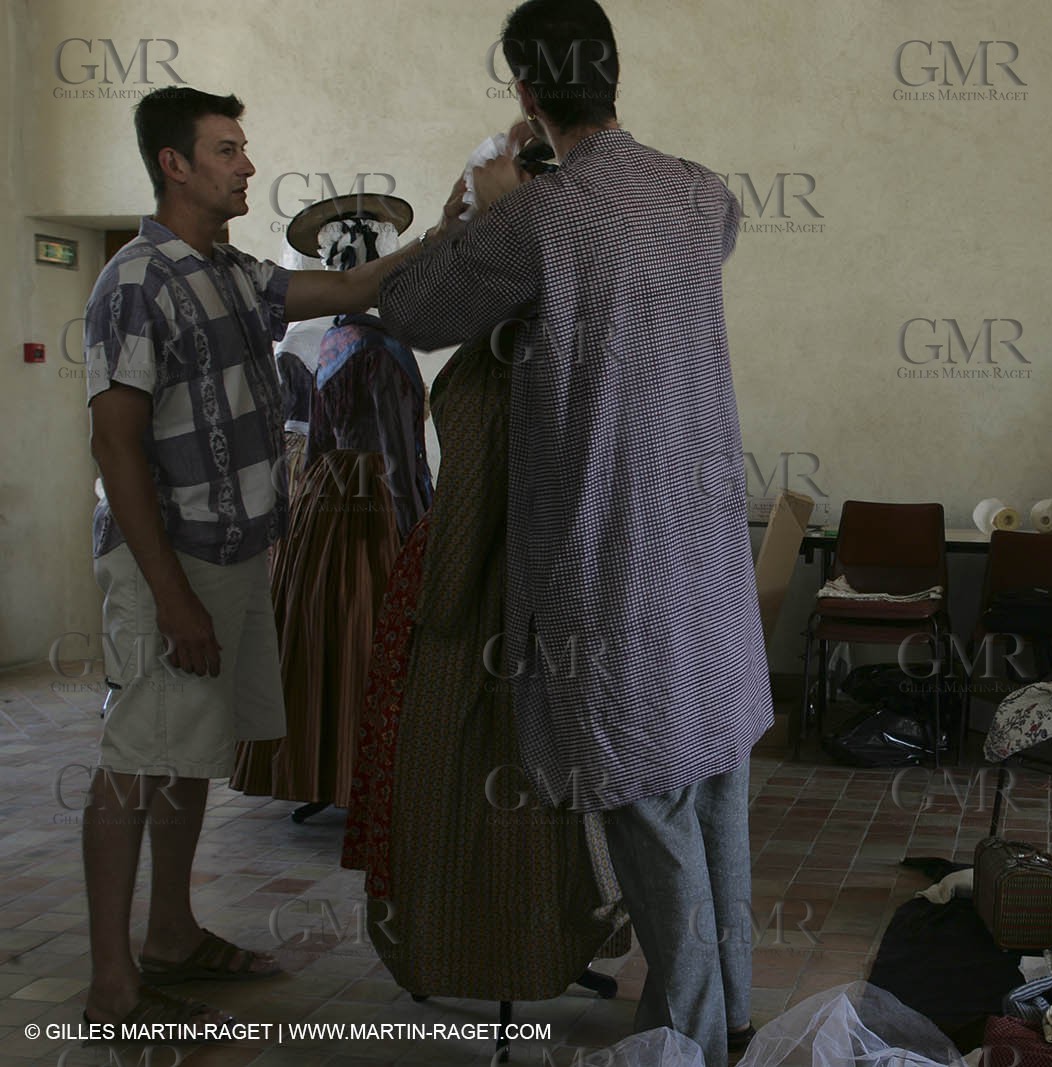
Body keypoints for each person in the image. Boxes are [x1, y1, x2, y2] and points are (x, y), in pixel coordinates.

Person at [376, 3, 770, 1063]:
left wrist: (480, 205)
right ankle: (730, 1011)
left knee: (646, 797)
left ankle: (688, 1036)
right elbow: (702, 240)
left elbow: (410, 312)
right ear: (615, 73)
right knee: (717, 781)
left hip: (613, 556)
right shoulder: (702, 195)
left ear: (525, 95)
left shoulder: (537, 221)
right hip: (708, 551)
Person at [82, 85, 436, 1027]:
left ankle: (171, 932)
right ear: (176, 164)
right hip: (171, 564)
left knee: (190, 751)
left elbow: (360, 288)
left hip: (235, 560)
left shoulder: (234, 275)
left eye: (243, 148)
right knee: (134, 759)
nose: (247, 164)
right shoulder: (134, 283)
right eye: (228, 149)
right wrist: (172, 596)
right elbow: (116, 446)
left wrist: (462, 222)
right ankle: (112, 978)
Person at [341, 120, 631, 1001]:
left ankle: (501, 947)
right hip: (533, 571)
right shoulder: (571, 316)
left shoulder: (530, 337)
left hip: (493, 577)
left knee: (494, 771)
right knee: (489, 771)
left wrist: (452, 589)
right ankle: (502, 944)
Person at [231, 196, 433, 812]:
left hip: (325, 499)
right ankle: (370, 773)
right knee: (372, 632)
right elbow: (401, 459)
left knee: (320, 634)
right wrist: (421, 530)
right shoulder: (385, 350)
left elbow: (317, 440)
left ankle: (324, 765)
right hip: (373, 503)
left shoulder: (331, 342)